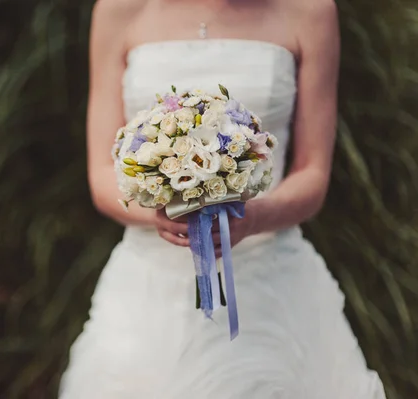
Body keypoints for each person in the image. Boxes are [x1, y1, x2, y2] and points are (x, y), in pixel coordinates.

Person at [60, 0, 386, 397]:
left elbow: (312, 173)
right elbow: (101, 176)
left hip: (269, 275)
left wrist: (255, 217)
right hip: (149, 285)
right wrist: (161, 216)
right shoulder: (119, 10)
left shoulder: (310, 11)